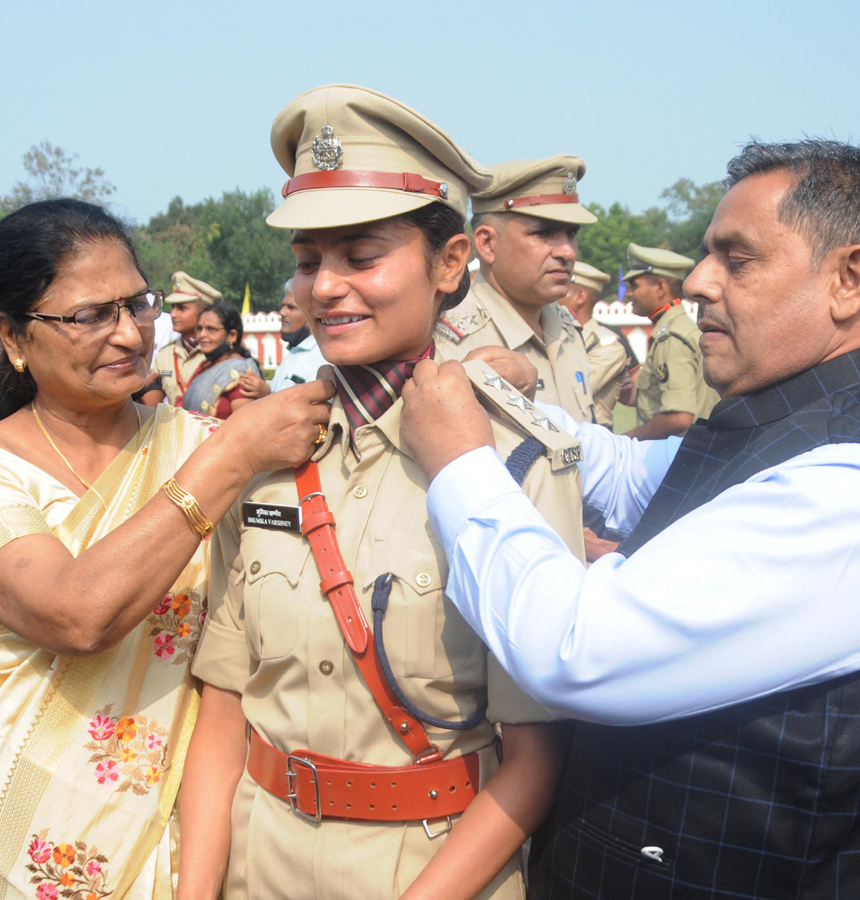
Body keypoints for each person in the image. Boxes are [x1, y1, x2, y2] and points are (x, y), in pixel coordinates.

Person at [399, 140, 860, 898]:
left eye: (736, 260)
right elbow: (622, 472)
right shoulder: (795, 424)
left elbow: (573, 649)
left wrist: (460, 466)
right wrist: (510, 405)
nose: (698, 281)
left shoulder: (859, 487)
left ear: (849, 279)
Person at [181, 83, 584, 900]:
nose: (324, 287)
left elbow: (534, 758)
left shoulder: (514, 461)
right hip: (258, 865)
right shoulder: (262, 449)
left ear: (449, 262)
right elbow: (224, 707)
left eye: (361, 255)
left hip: (434, 870)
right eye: (306, 262)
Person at [0, 198, 332, 900]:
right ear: (12, 334)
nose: (127, 335)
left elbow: (225, 686)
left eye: (136, 304)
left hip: (193, 834)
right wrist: (233, 452)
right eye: (89, 316)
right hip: (27, 842)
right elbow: (76, 615)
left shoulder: (194, 444)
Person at [434, 155, 597, 425]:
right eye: (544, 233)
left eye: (571, 234)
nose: (567, 251)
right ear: (487, 244)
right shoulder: (448, 341)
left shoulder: (567, 328)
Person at [622, 243, 718, 438]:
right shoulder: (676, 328)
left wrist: (626, 441)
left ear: (660, 288)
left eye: (634, 285)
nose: (628, 293)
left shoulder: (672, 337)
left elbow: (678, 417)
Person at [560, 261, 634, 428]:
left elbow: (572, 394)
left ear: (580, 297)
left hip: (593, 443)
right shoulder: (556, 337)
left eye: (562, 292)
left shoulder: (607, 346)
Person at [181, 302, 266, 418]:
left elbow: (245, 427)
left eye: (211, 329)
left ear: (232, 335)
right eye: (199, 328)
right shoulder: (205, 365)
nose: (202, 335)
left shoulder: (240, 372)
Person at [150, 271, 220, 406]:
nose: (173, 314)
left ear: (203, 313)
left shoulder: (222, 353)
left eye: (182, 308)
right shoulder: (165, 355)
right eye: (173, 308)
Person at [267, 277, 328, 391]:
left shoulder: (322, 358)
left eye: (291, 307)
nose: (282, 312)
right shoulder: (293, 354)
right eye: (282, 306)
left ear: (312, 314)